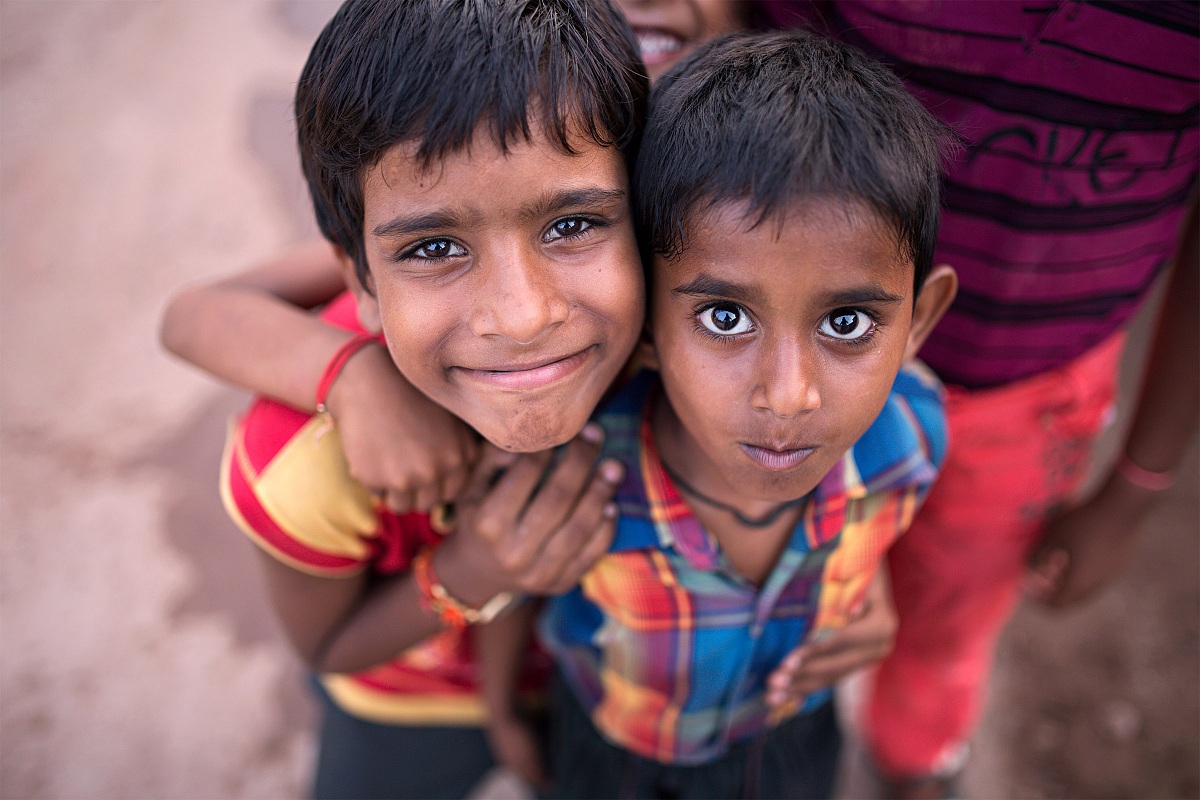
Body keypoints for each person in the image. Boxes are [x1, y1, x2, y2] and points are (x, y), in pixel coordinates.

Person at [165, 0, 651, 796]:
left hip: (604, 680)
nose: (524, 314)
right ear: (358, 278)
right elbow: (327, 646)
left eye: (571, 225)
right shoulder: (305, 470)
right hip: (413, 704)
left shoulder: (692, 352)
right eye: (435, 248)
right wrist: (473, 565)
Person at [752, 3, 1200, 796]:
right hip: (788, 358)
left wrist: (1136, 486)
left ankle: (913, 761)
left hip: (1033, 396)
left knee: (950, 624)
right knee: (761, 602)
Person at [529, 30, 957, 798]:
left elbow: (875, 535)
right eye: (725, 318)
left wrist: (876, 600)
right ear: (646, 320)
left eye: (849, 323)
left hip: (790, 740)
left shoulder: (912, 438)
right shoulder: (578, 469)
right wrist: (501, 706)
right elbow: (515, 589)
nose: (789, 395)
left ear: (919, 323)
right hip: (615, 748)